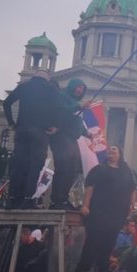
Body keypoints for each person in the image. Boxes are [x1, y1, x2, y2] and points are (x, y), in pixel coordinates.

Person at [76, 145, 136, 272]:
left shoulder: (126, 172)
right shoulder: (99, 169)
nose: (111, 151)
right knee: (93, 241)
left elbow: (132, 189)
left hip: (117, 215)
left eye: (114, 149)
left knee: (109, 243)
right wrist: (85, 205)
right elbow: (90, 188)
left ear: (120, 154)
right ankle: (82, 269)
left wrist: (132, 204)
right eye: (109, 150)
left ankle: (103, 269)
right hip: (99, 212)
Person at [2, 69, 60, 209]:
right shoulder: (50, 88)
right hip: (39, 132)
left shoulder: (24, 86)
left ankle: (12, 198)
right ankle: (28, 199)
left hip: (22, 130)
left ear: (34, 76)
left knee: (19, 164)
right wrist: (55, 125)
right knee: (35, 166)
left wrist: (11, 122)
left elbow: (6, 103)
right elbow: (57, 109)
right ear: (47, 78)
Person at [49, 78, 89, 210]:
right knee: (63, 167)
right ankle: (56, 200)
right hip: (61, 136)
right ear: (72, 87)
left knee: (73, 169)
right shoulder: (63, 97)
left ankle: (64, 198)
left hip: (71, 138)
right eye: (78, 87)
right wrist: (79, 107)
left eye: (82, 88)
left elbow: (76, 122)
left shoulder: (76, 103)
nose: (80, 90)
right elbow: (61, 109)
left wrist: (87, 134)